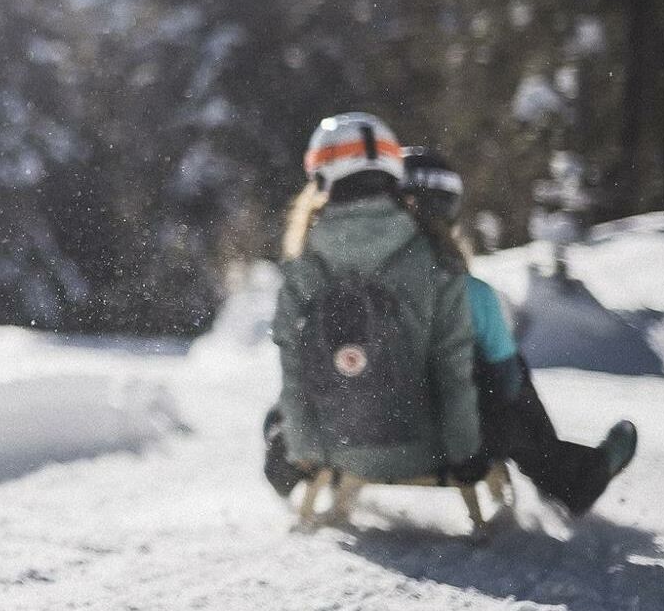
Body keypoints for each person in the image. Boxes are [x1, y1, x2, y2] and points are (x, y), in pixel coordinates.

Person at [399, 148, 638, 516]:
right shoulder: (471, 294)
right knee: (510, 377)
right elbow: (507, 383)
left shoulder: (360, 288)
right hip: (452, 446)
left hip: (375, 435)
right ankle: (571, 477)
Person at [265, 113, 486, 495]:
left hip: (336, 453)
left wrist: (304, 452)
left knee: (274, 416)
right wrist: (464, 454)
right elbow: (452, 364)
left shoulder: (303, 262)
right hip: (425, 451)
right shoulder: (434, 254)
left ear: (322, 174)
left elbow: (294, 369)